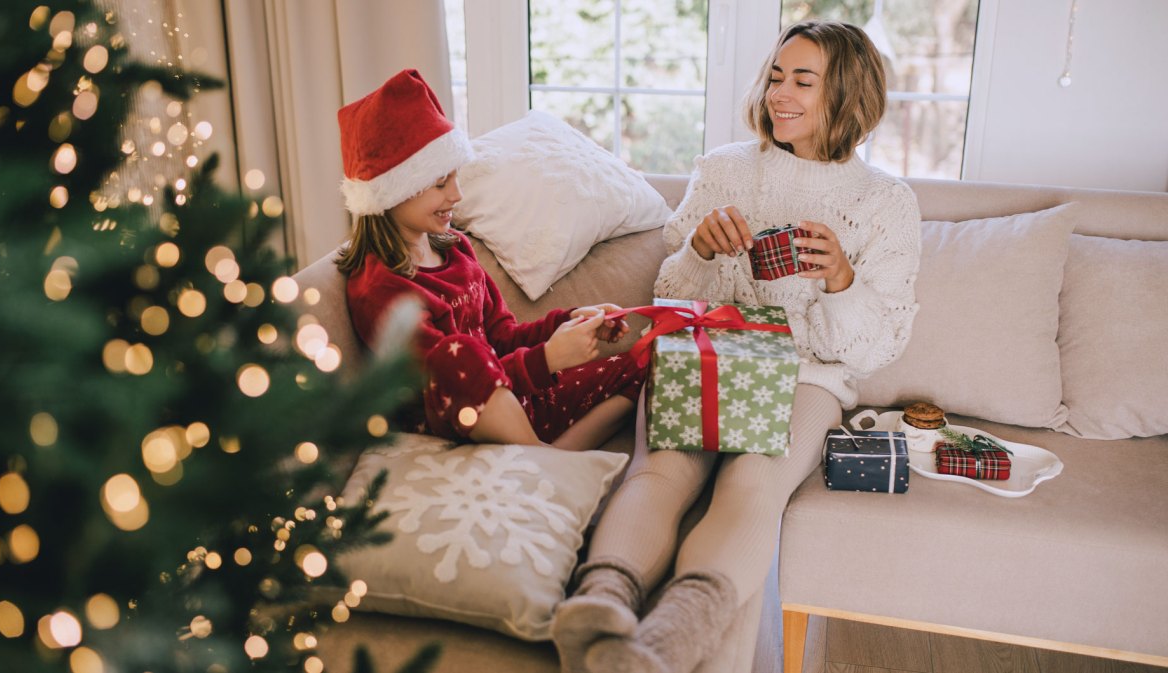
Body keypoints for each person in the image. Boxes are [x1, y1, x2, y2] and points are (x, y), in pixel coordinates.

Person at [551, 20, 921, 673]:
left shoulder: (886, 203)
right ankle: (601, 600)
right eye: (777, 76)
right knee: (659, 469)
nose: (780, 93)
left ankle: (669, 637)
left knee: (754, 481)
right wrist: (698, 251)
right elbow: (672, 293)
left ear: (848, 95)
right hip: (710, 347)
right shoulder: (722, 170)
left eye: (803, 80)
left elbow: (878, 345)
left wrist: (839, 279)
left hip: (809, 375)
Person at [337, 69, 646, 451]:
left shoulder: (455, 248)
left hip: (517, 395)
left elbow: (503, 336)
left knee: (642, 363)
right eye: (440, 184)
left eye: (455, 178)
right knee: (459, 355)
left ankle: (552, 457)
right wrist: (546, 360)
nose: (457, 194)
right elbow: (443, 376)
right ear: (391, 193)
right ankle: (541, 458)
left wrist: (568, 323)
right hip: (456, 418)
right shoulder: (381, 288)